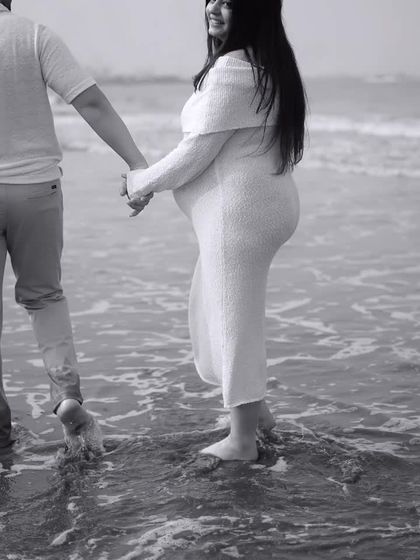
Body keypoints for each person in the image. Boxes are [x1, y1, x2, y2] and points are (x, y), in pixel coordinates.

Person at [123, 0, 306, 461]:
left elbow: (194, 154)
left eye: (230, 2)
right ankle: (258, 415)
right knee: (215, 308)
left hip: (239, 214)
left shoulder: (231, 71)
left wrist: (140, 182)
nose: (214, 8)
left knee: (231, 320)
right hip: (259, 206)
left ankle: (242, 441)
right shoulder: (268, 66)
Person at [0, 1, 151, 454]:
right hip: (36, 189)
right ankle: (66, 395)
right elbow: (90, 102)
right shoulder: (34, 35)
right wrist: (138, 165)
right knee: (44, 297)